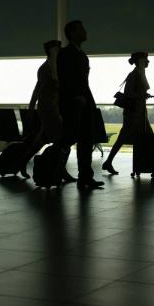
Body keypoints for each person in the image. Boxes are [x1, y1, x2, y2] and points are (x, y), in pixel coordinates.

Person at [57, 20, 104, 190]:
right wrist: (76, 98)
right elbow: (65, 80)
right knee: (70, 138)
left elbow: (82, 82)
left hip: (83, 102)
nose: (85, 31)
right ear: (72, 33)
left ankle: (85, 177)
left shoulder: (80, 55)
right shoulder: (67, 54)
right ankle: (58, 170)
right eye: (81, 29)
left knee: (85, 140)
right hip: (73, 104)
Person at [20, 40, 70, 179]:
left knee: (42, 140)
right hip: (48, 109)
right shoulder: (46, 69)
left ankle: (23, 162)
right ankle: (60, 170)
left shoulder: (54, 68)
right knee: (62, 139)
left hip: (52, 108)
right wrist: (31, 107)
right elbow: (38, 89)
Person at [102, 51, 154, 175]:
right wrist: (142, 95)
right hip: (133, 113)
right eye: (146, 59)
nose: (148, 61)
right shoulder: (134, 75)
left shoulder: (139, 74)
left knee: (143, 137)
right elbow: (129, 94)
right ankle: (153, 164)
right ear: (141, 61)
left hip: (139, 113)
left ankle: (153, 163)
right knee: (144, 137)